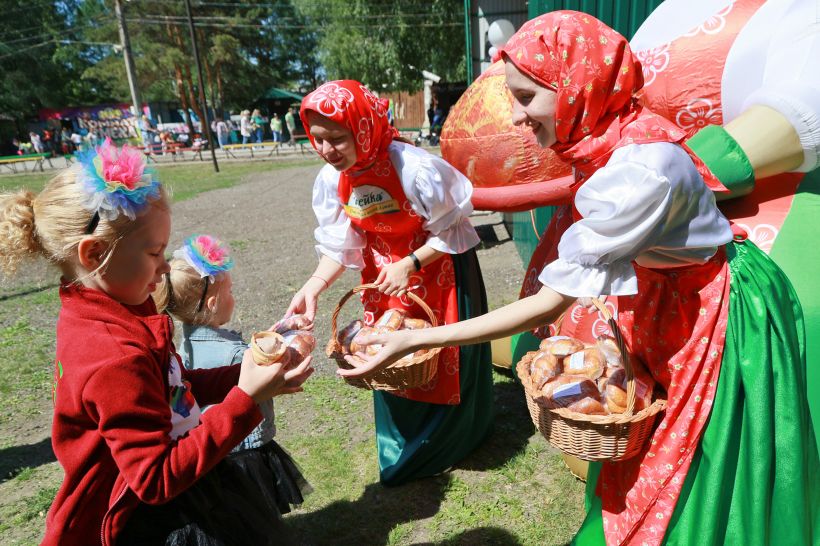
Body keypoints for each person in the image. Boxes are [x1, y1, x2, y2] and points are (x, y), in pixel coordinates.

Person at [343, 12, 819, 545]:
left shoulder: (640, 173)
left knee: (700, 452)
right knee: (659, 445)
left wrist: (415, 337)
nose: (517, 118)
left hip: (717, 310)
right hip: (669, 295)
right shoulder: (611, 143)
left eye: (526, 98)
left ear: (576, 88)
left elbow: (548, 304)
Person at [0, 138, 313, 546]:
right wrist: (245, 399)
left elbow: (171, 389)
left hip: (187, 484)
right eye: (154, 252)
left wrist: (245, 373)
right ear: (94, 254)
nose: (165, 266)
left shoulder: (120, 308)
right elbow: (155, 478)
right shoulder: (111, 355)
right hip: (150, 518)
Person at [287, 80, 494, 486]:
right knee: (389, 357)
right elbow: (340, 245)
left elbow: (457, 232)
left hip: (441, 269)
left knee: (442, 358)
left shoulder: (412, 167)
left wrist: (413, 262)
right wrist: (314, 285)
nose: (327, 150)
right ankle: (401, 443)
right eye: (318, 139)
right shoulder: (333, 180)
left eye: (337, 138)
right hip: (383, 280)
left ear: (361, 128)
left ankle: (452, 440)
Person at [153, 234, 311, 519]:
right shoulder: (236, 354)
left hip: (215, 450)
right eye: (229, 292)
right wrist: (289, 338)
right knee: (258, 515)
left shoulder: (182, 346)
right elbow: (266, 364)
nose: (233, 298)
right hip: (247, 449)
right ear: (213, 303)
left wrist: (279, 329)